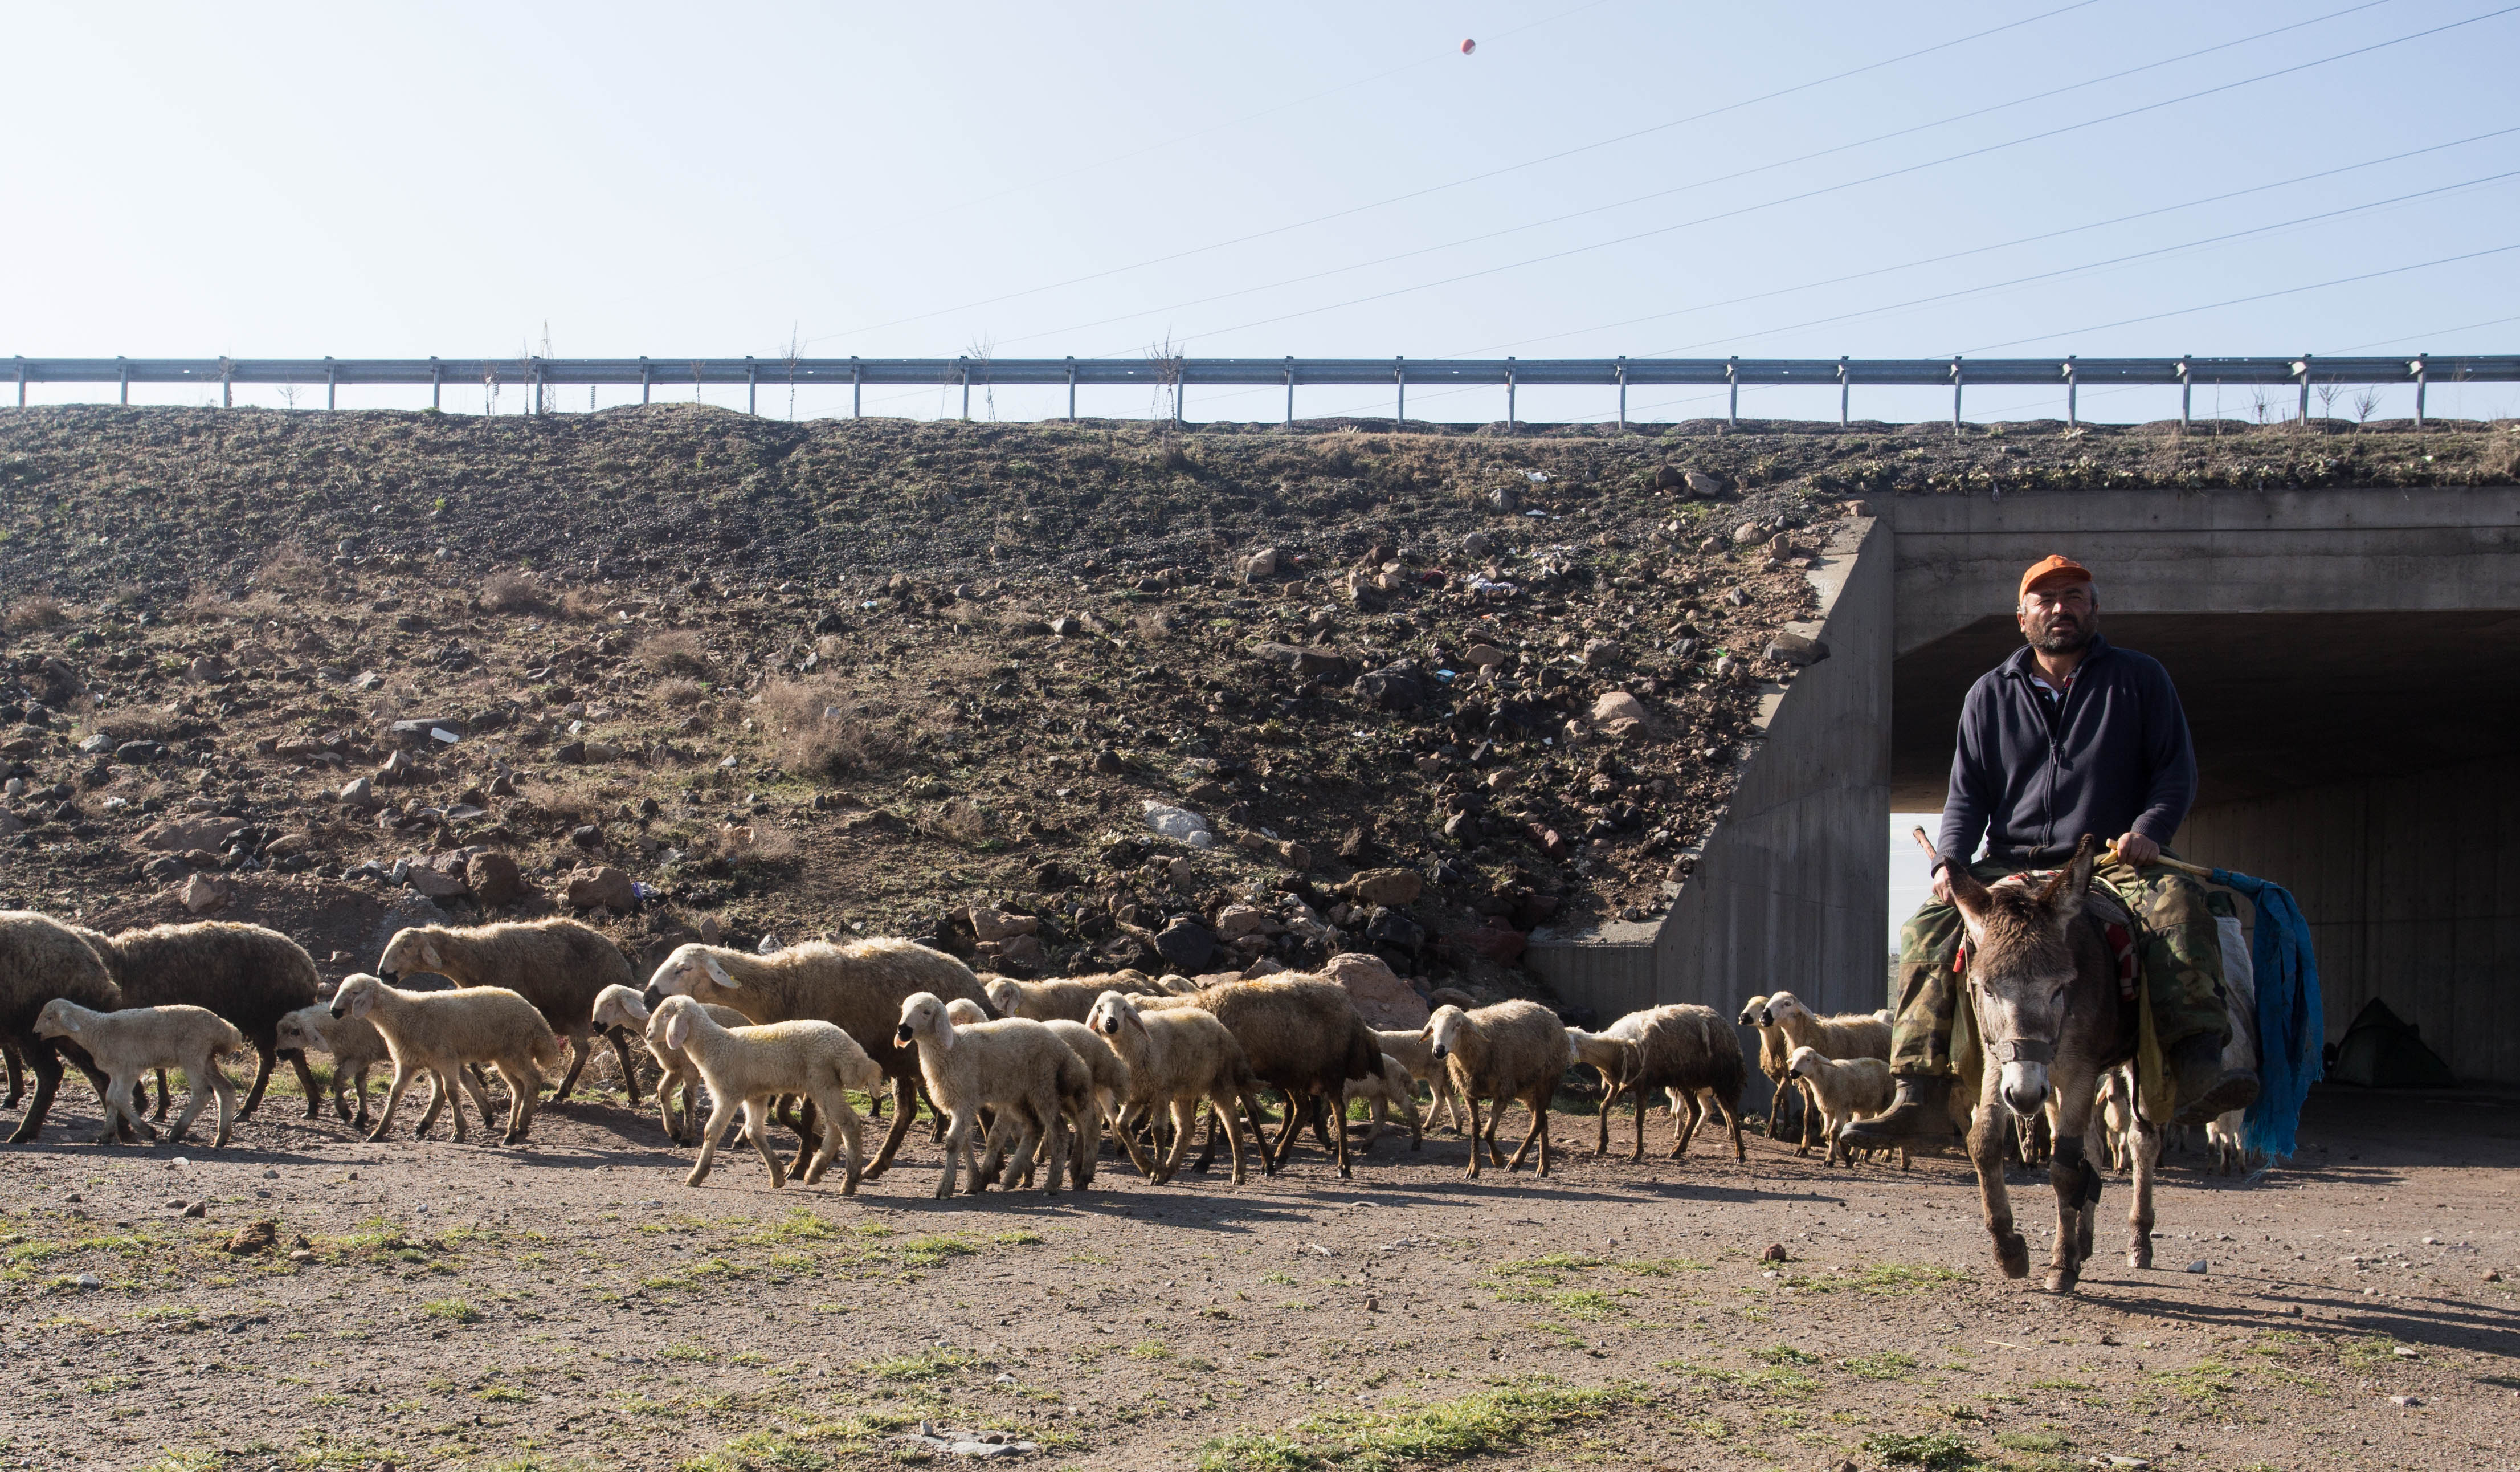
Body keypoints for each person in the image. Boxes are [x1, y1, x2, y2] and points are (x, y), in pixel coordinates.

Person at [1843, 555, 2258, 1149]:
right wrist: (1949, 863)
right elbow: (1966, 795)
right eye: (2045, 600)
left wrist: (2148, 830)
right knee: (1926, 929)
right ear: (2023, 618)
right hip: (2007, 861)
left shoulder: (2139, 679)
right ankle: (1919, 1093)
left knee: (2180, 910)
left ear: (2094, 609)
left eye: (2072, 596)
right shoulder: (1988, 694)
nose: (2059, 608)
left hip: (2110, 862)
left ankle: (2195, 1067)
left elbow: (2174, 775)